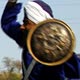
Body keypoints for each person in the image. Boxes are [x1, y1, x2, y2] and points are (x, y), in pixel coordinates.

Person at [1, 0, 80, 80]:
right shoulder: (26, 39)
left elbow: (76, 74)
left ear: (38, 26)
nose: (22, 27)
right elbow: (7, 23)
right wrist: (11, 2)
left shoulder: (59, 52)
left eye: (26, 22)